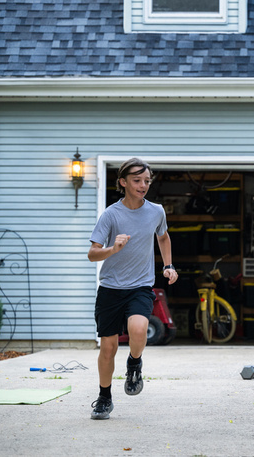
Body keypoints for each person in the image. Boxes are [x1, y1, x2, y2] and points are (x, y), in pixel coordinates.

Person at [87, 158, 178, 420]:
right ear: (123, 182)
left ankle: (134, 362)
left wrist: (168, 265)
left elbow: (163, 236)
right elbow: (92, 254)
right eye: (137, 180)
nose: (143, 185)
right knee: (108, 348)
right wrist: (112, 249)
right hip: (111, 289)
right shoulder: (110, 215)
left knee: (139, 330)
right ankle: (104, 397)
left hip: (140, 285)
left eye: (147, 181)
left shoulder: (156, 211)